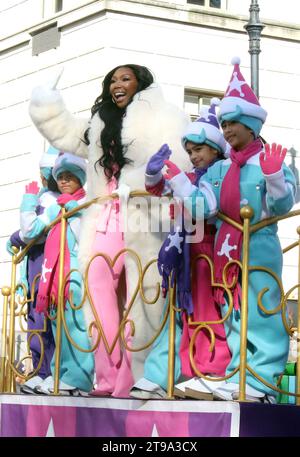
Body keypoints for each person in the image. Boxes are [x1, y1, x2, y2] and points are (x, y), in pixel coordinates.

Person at [28, 64, 191, 397]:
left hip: (144, 217)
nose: (117, 84)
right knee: (97, 291)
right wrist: (47, 101)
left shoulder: (166, 115)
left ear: (140, 83)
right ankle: (108, 374)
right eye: (113, 80)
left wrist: (142, 180)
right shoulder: (100, 123)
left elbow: (180, 161)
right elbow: (65, 131)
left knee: (143, 298)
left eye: (125, 79)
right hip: (105, 217)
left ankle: (138, 376)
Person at [163, 57, 296, 403]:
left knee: (262, 311)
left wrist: (274, 177)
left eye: (233, 122)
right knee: (233, 314)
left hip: (259, 248)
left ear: (252, 124)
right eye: (224, 124)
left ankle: (264, 380)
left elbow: (282, 206)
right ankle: (239, 373)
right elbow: (202, 207)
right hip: (227, 251)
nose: (227, 129)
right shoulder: (220, 169)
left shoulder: (269, 160)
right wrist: (178, 181)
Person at [130, 99, 231, 400]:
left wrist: (177, 182)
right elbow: (160, 190)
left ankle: (213, 372)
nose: (193, 156)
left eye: (199, 149)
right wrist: (153, 174)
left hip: (209, 257)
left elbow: (205, 209)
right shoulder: (189, 177)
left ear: (216, 149)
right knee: (175, 318)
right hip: (183, 258)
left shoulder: (221, 173)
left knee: (208, 316)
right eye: (190, 151)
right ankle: (159, 376)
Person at [19, 151, 94, 394]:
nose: (64, 180)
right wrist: (29, 203)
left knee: (76, 328)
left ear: (81, 178)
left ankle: (79, 379)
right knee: (57, 330)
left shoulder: (87, 203)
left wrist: (75, 211)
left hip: (75, 275)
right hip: (53, 279)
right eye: (61, 176)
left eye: (70, 176)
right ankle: (60, 375)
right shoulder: (55, 207)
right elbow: (30, 231)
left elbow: (88, 238)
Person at [7, 146, 60, 394]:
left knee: (47, 320)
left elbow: (33, 231)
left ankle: (49, 372)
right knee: (34, 320)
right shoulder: (42, 196)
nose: (42, 177)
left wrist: (16, 238)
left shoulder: (55, 201)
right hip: (34, 267)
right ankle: (40, 371)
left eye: (46, 172)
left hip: (48, 265)